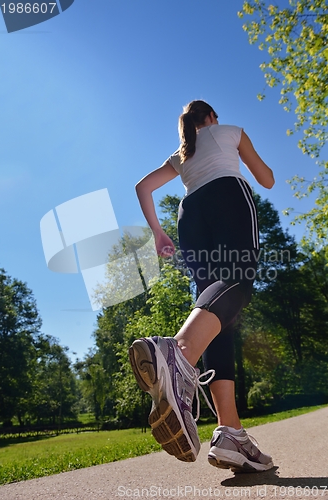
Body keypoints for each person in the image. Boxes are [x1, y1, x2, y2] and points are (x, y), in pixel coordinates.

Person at [129, 100, 275, 472]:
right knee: (238, 280)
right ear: (212, 118)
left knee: (215, 318)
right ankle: (178, 354)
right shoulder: (231, 132)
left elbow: (143, 187)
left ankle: (231, 433)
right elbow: (267, 179)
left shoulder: (180, 155)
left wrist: (159, 233)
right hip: (228, 195)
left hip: (189, 214)